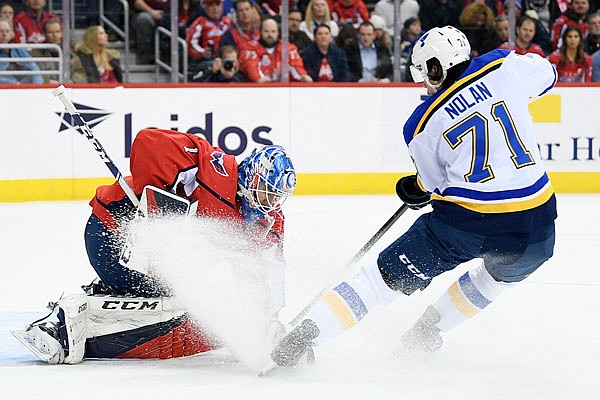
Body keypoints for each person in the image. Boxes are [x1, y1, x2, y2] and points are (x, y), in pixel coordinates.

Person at [270, 25, 558, 368]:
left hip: (466, 222)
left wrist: (415, 187)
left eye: (425, 72)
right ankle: (426, 333)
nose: (424, 81)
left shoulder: (421, 123)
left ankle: (304, 336)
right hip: (538, 226)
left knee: (376, 284)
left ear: (435, 67)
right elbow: (548, 74)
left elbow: (434, 186)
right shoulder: (502, 65)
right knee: (494, 278)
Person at [13, 128, 297, 364]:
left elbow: (265, 273)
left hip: (153, 260)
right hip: (112, 231)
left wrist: (266, 325)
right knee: (170, 310)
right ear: (251, 177)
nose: (269, 204)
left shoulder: (266, 223)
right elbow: (149, 141)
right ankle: (66, 323)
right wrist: (161, 201)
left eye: (276, 198)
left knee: (199, 320)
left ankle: (99, 308)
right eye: (266, 193)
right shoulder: (215, 170)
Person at [238, 17, 313, 82]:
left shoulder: (288, 49)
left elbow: (297, 68)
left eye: (273, 31)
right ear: (260, 32)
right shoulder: (250, 48)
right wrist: (260, 79)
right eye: (266, 31)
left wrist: (303, 77)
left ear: (278, 33)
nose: (270, 35)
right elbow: (252, 68)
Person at [186, 0, 234, 67]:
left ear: (222, 6)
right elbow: (190, 44)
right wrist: (202, 53)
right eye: (211, 5)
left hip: (229, 58)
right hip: (208, 61)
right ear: (205, 8)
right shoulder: (200, 22)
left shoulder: (229, 21)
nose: (215, 8)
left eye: (217, 5)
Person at [0, 18, 43, 84]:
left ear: (12, 34)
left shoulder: (18, 49)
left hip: (24, 86)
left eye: (7, 31)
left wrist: (37, 86)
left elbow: (33, 67)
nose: (4, 34)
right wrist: (15, 84)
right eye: (1, 31)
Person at [130, 0, 169, 64]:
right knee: (144, 19)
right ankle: (145, 59)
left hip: (169, 14)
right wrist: (151, 11)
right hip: (145, 13)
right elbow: (137, 2)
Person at [30, 17, 62, 83]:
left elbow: (79, 73)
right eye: (50, 32)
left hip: (66, 89)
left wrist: (73, 81)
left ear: (61, 33)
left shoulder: (69, 54)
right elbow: (31, 74)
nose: (54, 35)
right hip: (45, 89)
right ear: (44, 35)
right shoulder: (34, 53)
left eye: (57, 32)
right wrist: (47, 81)